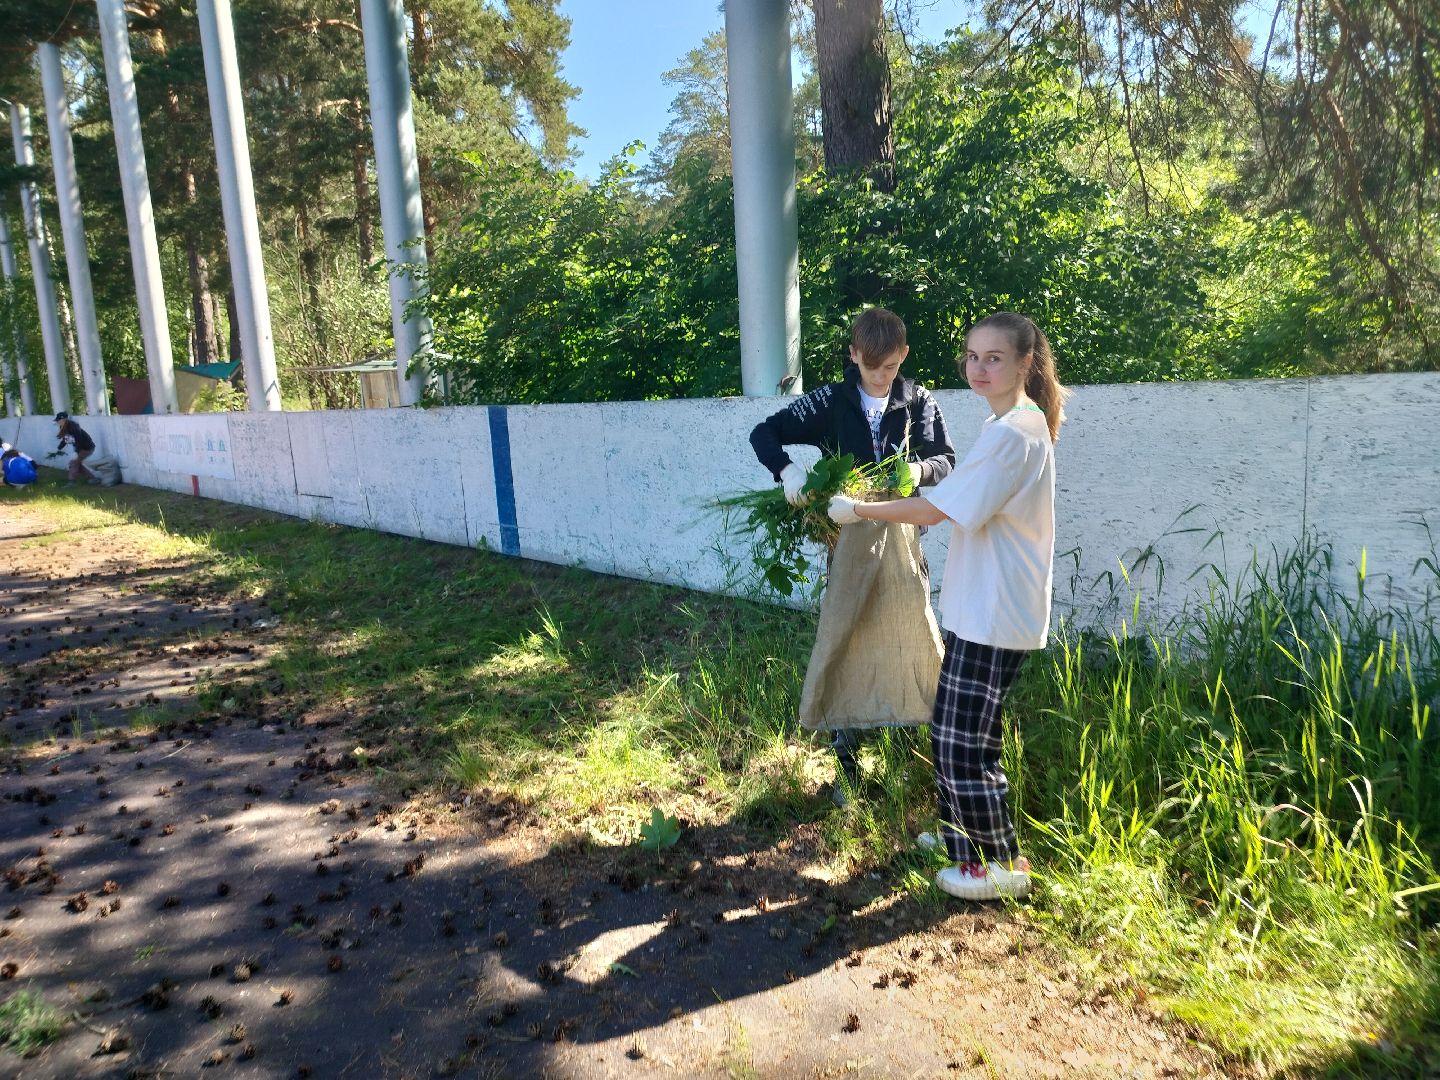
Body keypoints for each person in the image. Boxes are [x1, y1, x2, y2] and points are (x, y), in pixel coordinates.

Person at [828, 312, 1070, 900]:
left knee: (962, 740)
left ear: (1024, 364)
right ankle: (963, 835)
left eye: (994, 358)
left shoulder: (1015, 433)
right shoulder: (1011, 424)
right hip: (980, 606)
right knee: (963, 732)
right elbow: (956, 502)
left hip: (996, 612)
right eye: (972, 356)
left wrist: (857, 510)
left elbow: (936, 508)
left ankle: (995, 865)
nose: (979, 368)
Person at [751, 307, 956, 806]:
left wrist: (917, 471)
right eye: (872, 368)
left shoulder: (918, 401)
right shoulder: (832, 400)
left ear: (903, 357)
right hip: (846, 540)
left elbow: (946, 459)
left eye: (890, 368)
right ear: (854, 356)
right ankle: (847, 765)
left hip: (904, 540)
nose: (881, 377)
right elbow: (765, 433)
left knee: (910, 634)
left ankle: (909, 757)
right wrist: (789, 472)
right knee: (849, 633)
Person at [52, 412, 97, 483]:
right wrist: (58, 448)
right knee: (77, 464)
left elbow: (79, 440)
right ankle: (92, 478)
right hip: (80, 448)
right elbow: (65, 439)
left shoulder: (74, 426)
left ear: (64, 419)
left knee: (74, 463)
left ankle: (71, 482)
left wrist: (77, 452)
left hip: (87, 448)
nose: (57, 422)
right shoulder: (63, 427)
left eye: (58, 420)